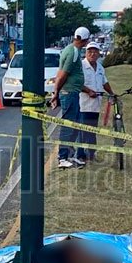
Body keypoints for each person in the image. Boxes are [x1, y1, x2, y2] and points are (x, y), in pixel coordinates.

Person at [51, 27, 90, 169]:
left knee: (75, 125)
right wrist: (56, 93)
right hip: (69, 93)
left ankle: (70, 154)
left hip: (73, 92)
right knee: (68, 126)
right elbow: (63, 74)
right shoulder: (73, 52)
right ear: (85, 40)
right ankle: (62, 157)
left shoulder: (71, 50)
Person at [79, 42, 115, 163]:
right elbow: (77, 83)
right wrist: (88, 91)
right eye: (90, 52)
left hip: (95, 105)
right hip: (83, 105)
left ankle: (91, 154)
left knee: (92, 130)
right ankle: (80, 155)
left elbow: (104, 82)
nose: (92, 54)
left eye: (95, 52)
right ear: (86, 53)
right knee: (83, 131)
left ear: (99, 54)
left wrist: (112, 93)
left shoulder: (100, 67)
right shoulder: (81, 66)